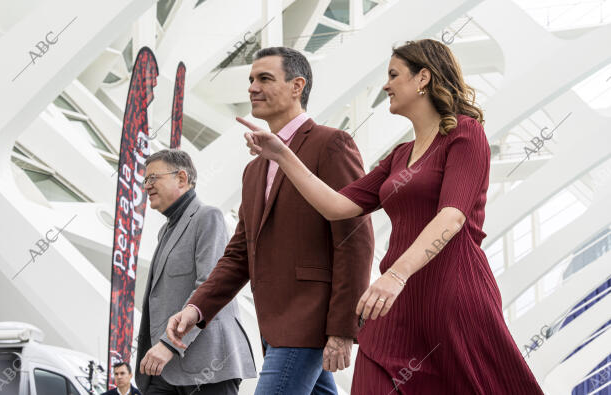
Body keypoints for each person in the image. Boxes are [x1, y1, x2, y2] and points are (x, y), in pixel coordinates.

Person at [239, 39, 544, 394]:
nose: (385, 85)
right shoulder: (399, 156)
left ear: (423, 78)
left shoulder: (465, 133)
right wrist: (283, 156)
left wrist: (396, 275)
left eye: (394, 74)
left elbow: (452, 217)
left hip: (451, 293)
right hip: (392, 305)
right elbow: (336, 206)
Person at [165, 47, 374, 394]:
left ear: (297, 86)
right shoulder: (254, 169)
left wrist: (342, 327)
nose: (252, 87)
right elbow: (239, 255)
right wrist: (196, 308)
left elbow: (355, 238)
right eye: (250, 79)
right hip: (275, 326)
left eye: (264, 78)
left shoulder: (331, 144)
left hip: (309, 322)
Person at [135, 149, 256, 395]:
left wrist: (169, 345)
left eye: (152, 178)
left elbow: (209, 286)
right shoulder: (166, 231)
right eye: (145, 180)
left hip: (206, 368)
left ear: (181, 178)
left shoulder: (207, 217)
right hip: (165, 370)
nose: (146, 186)